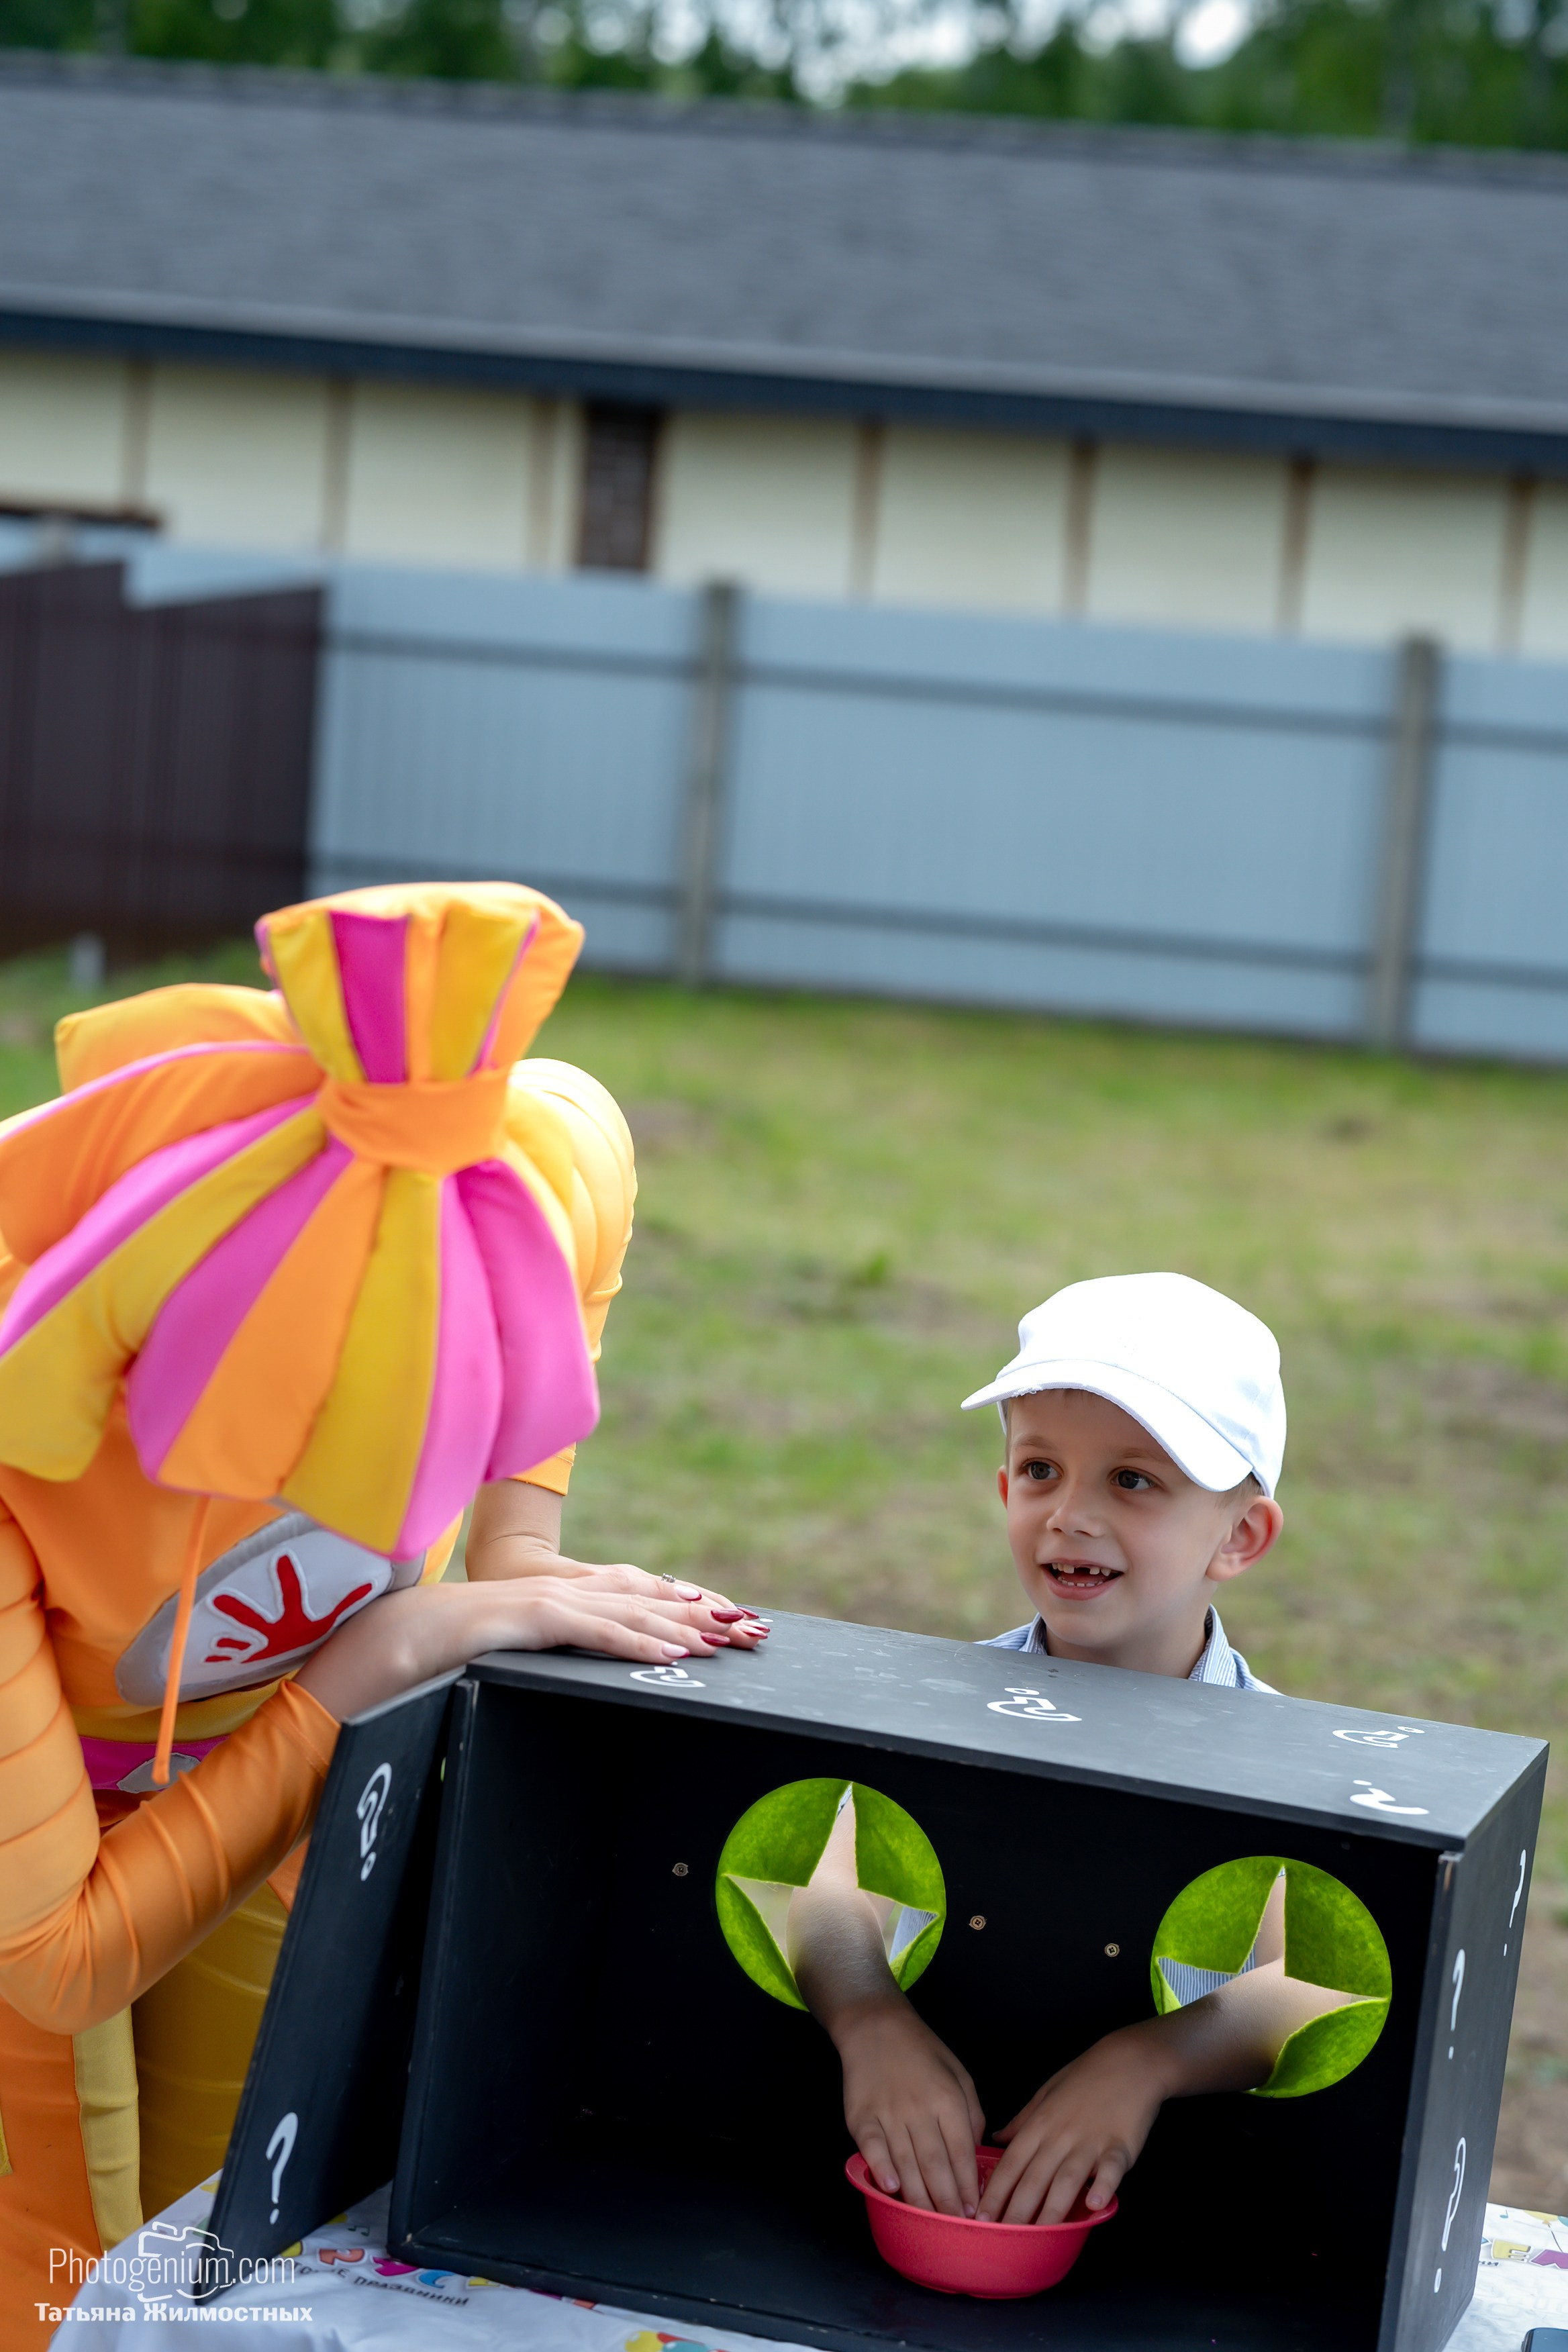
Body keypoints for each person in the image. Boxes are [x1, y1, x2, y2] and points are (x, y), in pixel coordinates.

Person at [0, 881, 765, 2347]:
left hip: (248, 1771)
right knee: (66, 2266)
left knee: (234, 2231)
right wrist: (386, 1656)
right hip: (42, 1871)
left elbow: (583, 1245)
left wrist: (515, 1542)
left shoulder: (518, 1168)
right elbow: (55, 1956)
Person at [787, 1274, 1352, 2233]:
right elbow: (817, 1882)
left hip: (1185, 2238)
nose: (1072, 1514)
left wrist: (1146, 2061)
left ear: (1239, 1537)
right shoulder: (934, 1718)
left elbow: (1313, 1980)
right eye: (1043, 1470)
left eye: (1133, 1481)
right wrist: (868, 2016)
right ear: (1005, 1488)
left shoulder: (1286, 1766)